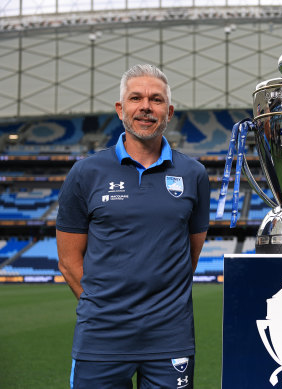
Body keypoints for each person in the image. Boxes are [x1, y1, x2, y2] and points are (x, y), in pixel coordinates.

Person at [56, 64, 210, 389]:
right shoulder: (85, 173)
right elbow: (69, 261)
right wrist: (103, 308)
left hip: (170, 337)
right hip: (101, 337)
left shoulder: (193, 174)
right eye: (135, 98)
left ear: (168, 112)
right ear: (120, 108)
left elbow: (190, 255)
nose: (145, 107)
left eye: (155, 100)